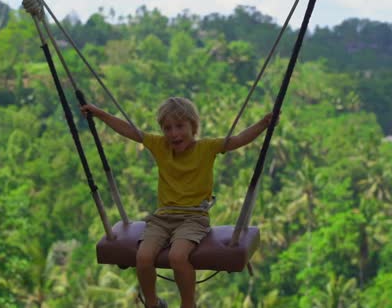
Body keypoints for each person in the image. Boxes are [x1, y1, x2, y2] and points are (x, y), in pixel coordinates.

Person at [81, 97, 274, 308]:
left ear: (194, 126)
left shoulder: (206, 148)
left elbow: (238, 139)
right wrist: (98, 113)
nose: (174, 134)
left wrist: (264, 124)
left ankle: (188, 304)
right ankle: (153, 303)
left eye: (180, 126)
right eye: (167, 128)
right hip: (163, 218)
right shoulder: (159, 146)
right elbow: (128, 130)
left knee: (178, 256)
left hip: (193, 218)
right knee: (143, 257)